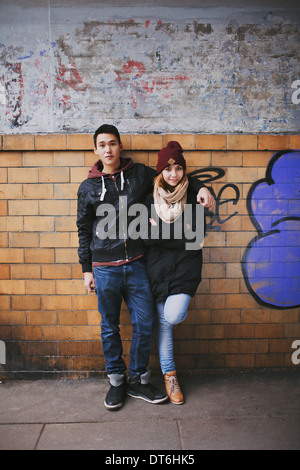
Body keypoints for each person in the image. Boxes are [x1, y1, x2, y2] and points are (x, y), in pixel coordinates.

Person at [77, 124, 213, 411]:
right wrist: (86, 269)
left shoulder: (139, 175)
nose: (108, 149)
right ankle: (116, 382)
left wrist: (201, 188)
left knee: (144, 324)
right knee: (109, 327)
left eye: (112, 143)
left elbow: (173, 176)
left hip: (137, 263)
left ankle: (139, 379)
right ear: (95, 150)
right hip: (104, 266)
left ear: (120, 146)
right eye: (102, 145)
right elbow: (83, 229)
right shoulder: (88, 188)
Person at [143, 141, 214, 405]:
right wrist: (176, 235)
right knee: (163, 325)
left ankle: (169, 375)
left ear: (185, 171)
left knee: (172, 316)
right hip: (158, 270)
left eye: (179, 168)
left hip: (185, 269)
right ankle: (170, 377)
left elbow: (195, 237)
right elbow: (146, 237)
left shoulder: (194, 194)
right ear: (161, 171)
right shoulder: (149, 196)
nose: (174, 174)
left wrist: (159, 234)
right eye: (168, 168)